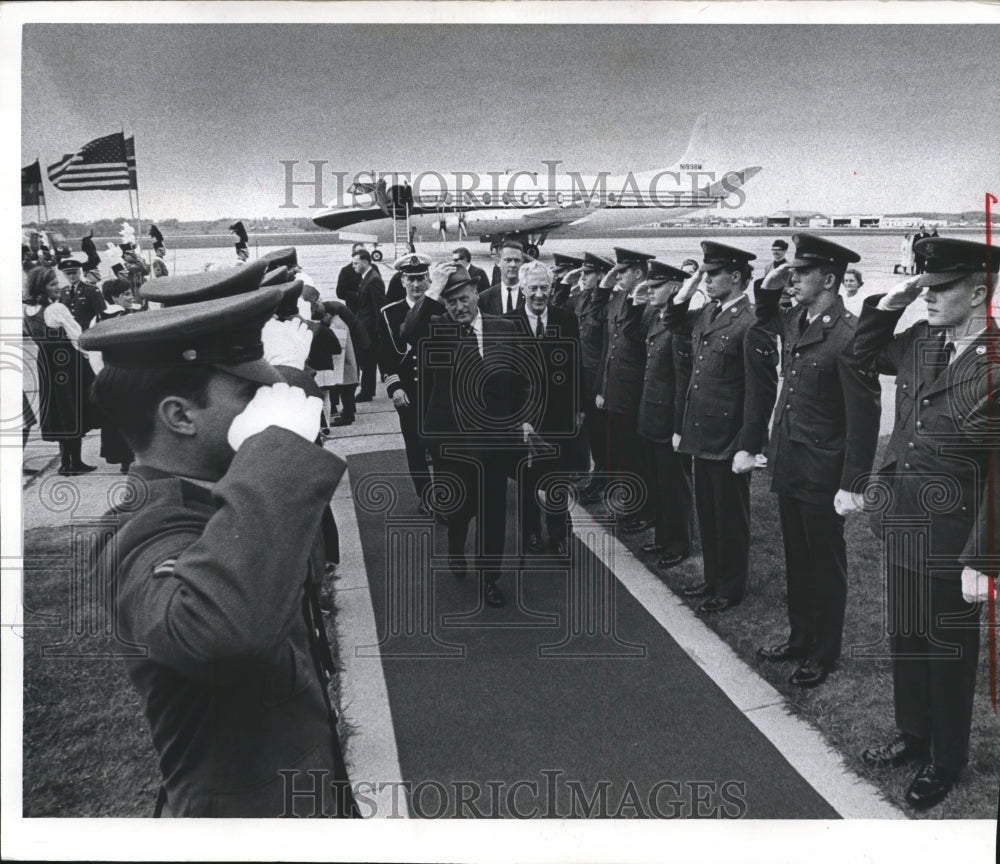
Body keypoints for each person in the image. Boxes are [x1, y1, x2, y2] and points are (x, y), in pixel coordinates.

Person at [80, 287, 358, 818]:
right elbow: (224, 634)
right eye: (251, 396)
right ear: (181, 416)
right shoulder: (142, 534)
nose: (269, 408)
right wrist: (273, 456)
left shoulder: (220, 498)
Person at [852, 237, 998, 811]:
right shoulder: (920, 340)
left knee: (948, 654)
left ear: (980, 293)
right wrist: (897, 297)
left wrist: (982, 559)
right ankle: (913, 735)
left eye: (941, 289)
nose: (929, 297)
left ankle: (946, 759)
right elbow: (862, 354)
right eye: (925, 287)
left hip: (955, 536)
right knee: (907, 642)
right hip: (906, 521)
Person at [751, 234, 881, 688]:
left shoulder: (848, 335)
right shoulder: (799, 319)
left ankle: (823, 652)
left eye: (801, 273)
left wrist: (854, 483)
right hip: (791, 461)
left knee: (824, 565)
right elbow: (765, 314)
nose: (793, 279)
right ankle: (800, 636)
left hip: (824, 471)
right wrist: (770, 283)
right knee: (797, 560)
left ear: (829, 279)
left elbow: (865, 416)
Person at [402, 264, 531, 608]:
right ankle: (456, 547)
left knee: (493, 512)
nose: (459, 307)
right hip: (453, 442)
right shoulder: (438, 329)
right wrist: (433, 291)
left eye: (463, 298)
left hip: (496, 440)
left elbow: (523, 380)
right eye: (451, 302)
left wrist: (525, 420)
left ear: (476, 293)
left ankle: (490, 577)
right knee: (460, 508)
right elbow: (407, 332)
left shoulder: (505, 327)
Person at [665, 242, 774, 614]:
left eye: (713, 274)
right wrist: (691, 281)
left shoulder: (751, 321)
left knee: (729, 519)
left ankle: (730, 588)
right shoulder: (710, 311)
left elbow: (761, 391)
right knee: (709, 515)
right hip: (703, 434)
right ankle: (712, 578)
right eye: (705, 274)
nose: (707, 280)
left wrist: (750, 445)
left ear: (737, 277)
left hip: (729, 439)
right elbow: (673, 319)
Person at [504, 259, 585, 556]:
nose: (539, 294)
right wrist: (518, 419)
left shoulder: (566, 319)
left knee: (557, 479)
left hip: (560, 416)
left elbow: (576, 364)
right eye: (533, 288)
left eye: (545, 288)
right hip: (523, 419)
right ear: (523, 288)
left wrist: (579, 407)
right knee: (526, 479)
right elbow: (504, 377)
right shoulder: (506, 322)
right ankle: (530, 533)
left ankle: (559, 536)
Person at [635, 261, 695, 569]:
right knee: (659, 483)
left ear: (674, 288)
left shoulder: (679, 327)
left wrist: (678, 427)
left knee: (675, 486)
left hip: (668, 419)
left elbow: (683, 381)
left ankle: (678, 542)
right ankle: (663, 535)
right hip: (651, 416)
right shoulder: (655, 317)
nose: (650, 290)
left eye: (656, 286)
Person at [596, 247, 657, 534]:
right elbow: (605, 339)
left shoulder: (649, 304)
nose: (618, 276)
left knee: (636, 457)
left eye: (623, 271)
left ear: (638, 273)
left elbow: (637, 340)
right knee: (621, 454)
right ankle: (630, 506)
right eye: (617, 271)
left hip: (634, 394)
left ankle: (645, 511)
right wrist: (605, 284)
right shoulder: (620, 298)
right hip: (615, 391)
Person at [22, 266, 99, 475]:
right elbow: (77, 338)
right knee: (74, 408)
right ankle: (74, 463)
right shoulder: (56, 309)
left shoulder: (29, 310)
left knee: (60, 410)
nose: (58, 287)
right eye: (53, 284)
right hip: (67, 363)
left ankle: (67, 462)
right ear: (41, 287)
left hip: (46, 364)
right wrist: (88, 358)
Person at [378, 253, 434, 505]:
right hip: (408, 391)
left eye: (421, 278)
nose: (416, 284)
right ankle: (425, 495)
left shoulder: (440, 309)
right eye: (410, 279)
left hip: (436, 391)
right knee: (415, 445)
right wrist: (395, 388)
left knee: (440, 445)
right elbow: (385, 356)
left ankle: (445, 494)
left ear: (429, 280)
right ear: (402, 281)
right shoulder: (389, 313)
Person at [573, 252, 616, 503]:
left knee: (602, 437)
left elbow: (605, 350)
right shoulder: (584, 300)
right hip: (584, 380)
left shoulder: (606, 304)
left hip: (598, 382)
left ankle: (602, 483)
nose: (582, 276)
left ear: (601, 276)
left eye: (587, 273)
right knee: (593, 434)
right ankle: (597, 479)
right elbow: (560, 306)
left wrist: (601, 387)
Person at [95, 279, 140, 472]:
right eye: (126, 294)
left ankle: (125, 460)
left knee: (118, 417)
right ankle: (133, 457)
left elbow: (93, 352)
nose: (131, 297)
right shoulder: (129, 317)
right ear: (114, 297)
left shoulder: (98, 318)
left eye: (131, 293)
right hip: (130, 373)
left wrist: (101, 373)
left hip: (110, 373)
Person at [351, 247, 386, 402]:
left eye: (356, 263)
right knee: (366, 360)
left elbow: (379, 308)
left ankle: (367, 391)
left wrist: (379, 330)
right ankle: (367, 390)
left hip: (370, 329)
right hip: (366, 327)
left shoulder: (373, 280)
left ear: (365, 262)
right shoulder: (367, 277)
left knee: (368, 360)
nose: (353, 266)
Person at [59, 256, 106, 330]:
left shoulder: (91, 290)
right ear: (64, 275)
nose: (71, 276)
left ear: (79, 272)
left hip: (89, 330)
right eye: (68, 273)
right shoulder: (62, 292)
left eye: (74, 272)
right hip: (71, 331)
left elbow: (101, 313)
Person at [478, 240, 525, 315]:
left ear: (522, 263)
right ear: (498, 262)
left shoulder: (529, 295)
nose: (513, 265)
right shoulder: (485, 298)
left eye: (517, 260)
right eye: (508, 260)